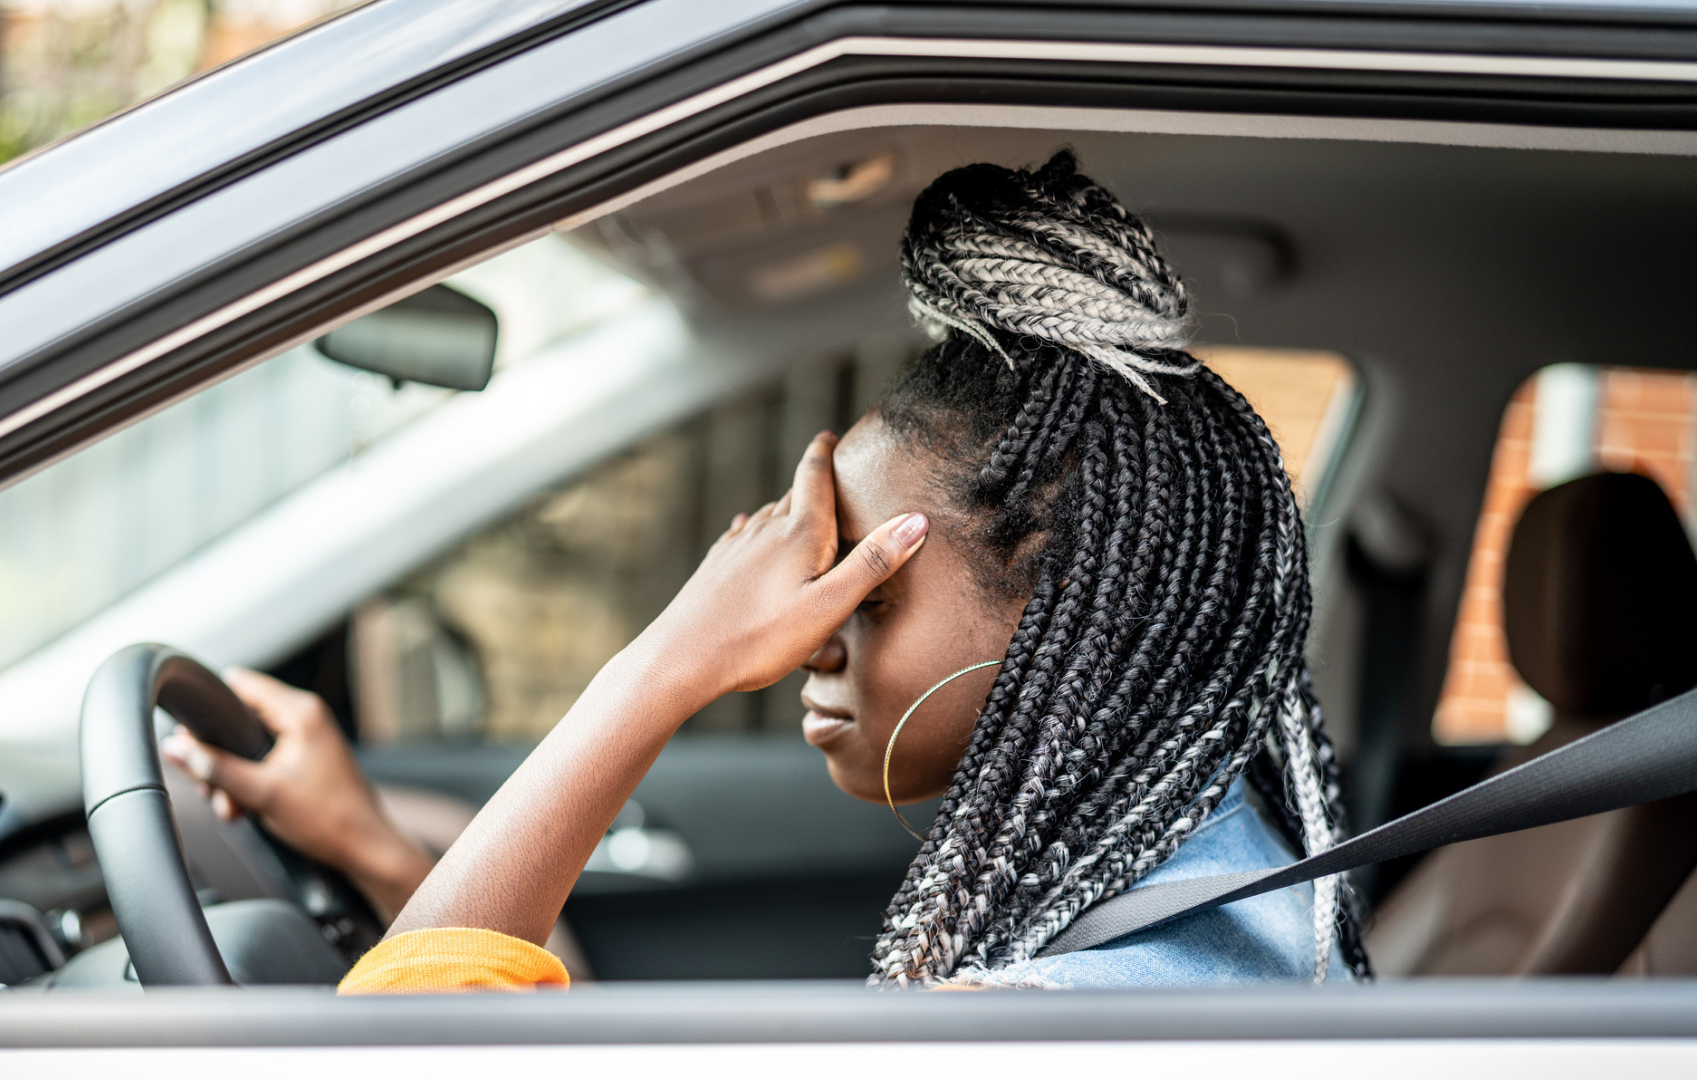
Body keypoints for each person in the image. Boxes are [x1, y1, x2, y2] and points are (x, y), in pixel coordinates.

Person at [164, 149, 1363, 991]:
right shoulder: (1200, 890)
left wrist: (664, 667)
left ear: (1073, 623)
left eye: (865, 591)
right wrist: (378, 852)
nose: (806, 638)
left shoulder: (1066, 1025)